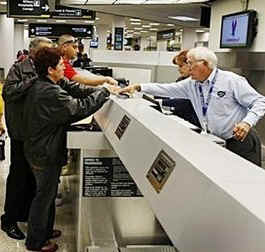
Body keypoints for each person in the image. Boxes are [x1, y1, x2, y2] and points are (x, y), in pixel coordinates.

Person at [23, 47, 111, 252]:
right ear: (51, 69)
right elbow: (78, 109)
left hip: (39, 148)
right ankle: (35, 242)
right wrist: (104, 93)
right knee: (43, 197)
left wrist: (102, 88)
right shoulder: (48, 92)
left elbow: (76, 90)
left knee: (48, 194)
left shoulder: (47, 83)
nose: (65, 67)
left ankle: (44, 230)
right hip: (44, 152)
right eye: (61, 65)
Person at [119, 47, 265, 166]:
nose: (188, 68)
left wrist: (247, 123)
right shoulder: (192, 84)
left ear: (205, 64)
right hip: (217, 141)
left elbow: (259, 102)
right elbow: (167, 89)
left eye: (190, 63)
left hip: (241, 141)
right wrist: (139, 87)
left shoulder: (231, 81)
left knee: (247, 185)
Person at [1, 37, 53, 240]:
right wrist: (33, 80)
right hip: (21, 132)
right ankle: (9, 220)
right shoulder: (20, 67)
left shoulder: (44, 68)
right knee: (18, 175)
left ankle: (25, 214)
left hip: (37, 132)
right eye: (45, 51)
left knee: (33, 178)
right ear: (34, 51)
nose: (49, 54)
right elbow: (9, 92)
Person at [160, 50, 201, 128]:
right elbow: (172, 93)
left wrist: (161, 101)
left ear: (190, 64)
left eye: (181, 66)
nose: (178, 69)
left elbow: (186, 102)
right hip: (180, 119)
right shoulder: (181, 79)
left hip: (192, 124)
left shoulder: (197, 82)